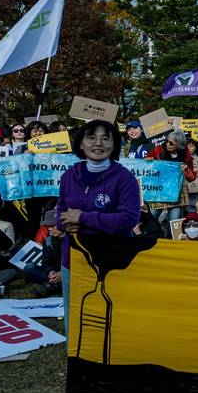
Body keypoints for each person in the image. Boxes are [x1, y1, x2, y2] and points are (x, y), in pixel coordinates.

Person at [57, 120, 141, 334]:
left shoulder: (124, 179)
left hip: (113, 259)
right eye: (91, 137)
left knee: (113, 316)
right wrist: (66, 224)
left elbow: (128, 219)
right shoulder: (69, 176)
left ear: (114, 144)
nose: (98, 143)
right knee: (75, 316)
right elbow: (61, 212)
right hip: (74, 258)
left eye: (106, 137)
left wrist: (84, 218)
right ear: (81, 144)